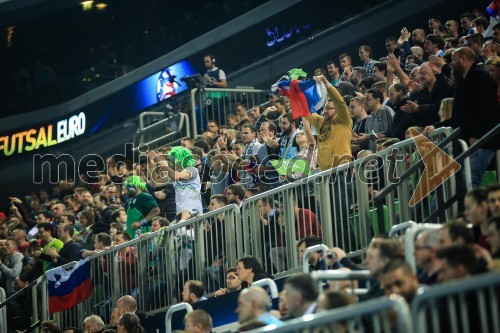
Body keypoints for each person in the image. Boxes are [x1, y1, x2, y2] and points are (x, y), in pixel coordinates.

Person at [425, 47, 500, 188]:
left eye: (454, 60)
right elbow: (457, 117)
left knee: (470, 180)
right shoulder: (462, 84)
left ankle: (477, 209)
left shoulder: (481, 77)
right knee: (460, 183)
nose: (452, 63)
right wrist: (436, 126)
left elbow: (486, 109)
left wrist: (475, 134)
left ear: (464, 59)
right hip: (468, 143)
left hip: (482, 141)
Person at [302, 75, 352, 171]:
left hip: (342, 169)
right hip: (324, 173)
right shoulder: (321, 122)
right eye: (325, 108)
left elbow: (339, 101)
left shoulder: (344, 120)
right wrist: (298, 91)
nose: (325, 111)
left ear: (337, 110)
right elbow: (305, 110)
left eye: (329, 108)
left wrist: (325, 83)